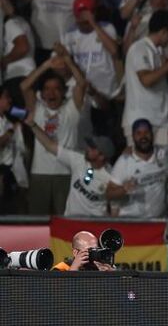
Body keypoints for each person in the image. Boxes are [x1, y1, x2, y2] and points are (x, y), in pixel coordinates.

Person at [21, 48, 87, 215]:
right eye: (47, 89)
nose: (51, 93)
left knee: (64, 220)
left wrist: (68, 61)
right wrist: (47, 65)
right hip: (39, 173)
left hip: (65, 173)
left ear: (64, 92)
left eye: (56, 88)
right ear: (41, 94)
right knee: (37, 221)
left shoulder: (71, 108)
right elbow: (24, 86)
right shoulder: (37, 108)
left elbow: (81, 84)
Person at [26, 123, 114, 217]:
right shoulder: (79, 159)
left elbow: (115, 208)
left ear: (101, 156)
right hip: (71, 221)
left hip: (94, 224)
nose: (88, 149)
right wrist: (33, 125)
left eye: (92, 148)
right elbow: (50, 145)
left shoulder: (111, 177)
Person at [122, 10, 168, 145]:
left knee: (163, 163)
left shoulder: (159, 51)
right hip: (140, 120)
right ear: (164, 32)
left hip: (162, 119)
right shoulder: (139, 48)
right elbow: (146, 80)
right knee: (140, 164)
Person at [107, 118, 168, 218]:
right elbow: (109, 194)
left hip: (156, 222)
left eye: (146, 132)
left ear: (152, 135)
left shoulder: (163, 153)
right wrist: (123, 189)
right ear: (133, 137)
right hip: (131, 221)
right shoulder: (124, 161)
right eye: (139, 133)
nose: (143, 137)